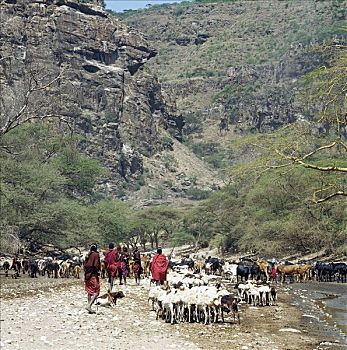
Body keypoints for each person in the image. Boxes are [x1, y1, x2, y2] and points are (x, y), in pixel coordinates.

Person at [84, 243, 101, 314]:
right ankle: (89, 306)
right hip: (93, 274)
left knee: (89, 290)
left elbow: (85, 265)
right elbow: (96, 265)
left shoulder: (88, 255)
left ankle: (89, 307)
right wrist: (98, 271)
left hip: (87, 275)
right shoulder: (96, 255)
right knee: (96, 291)